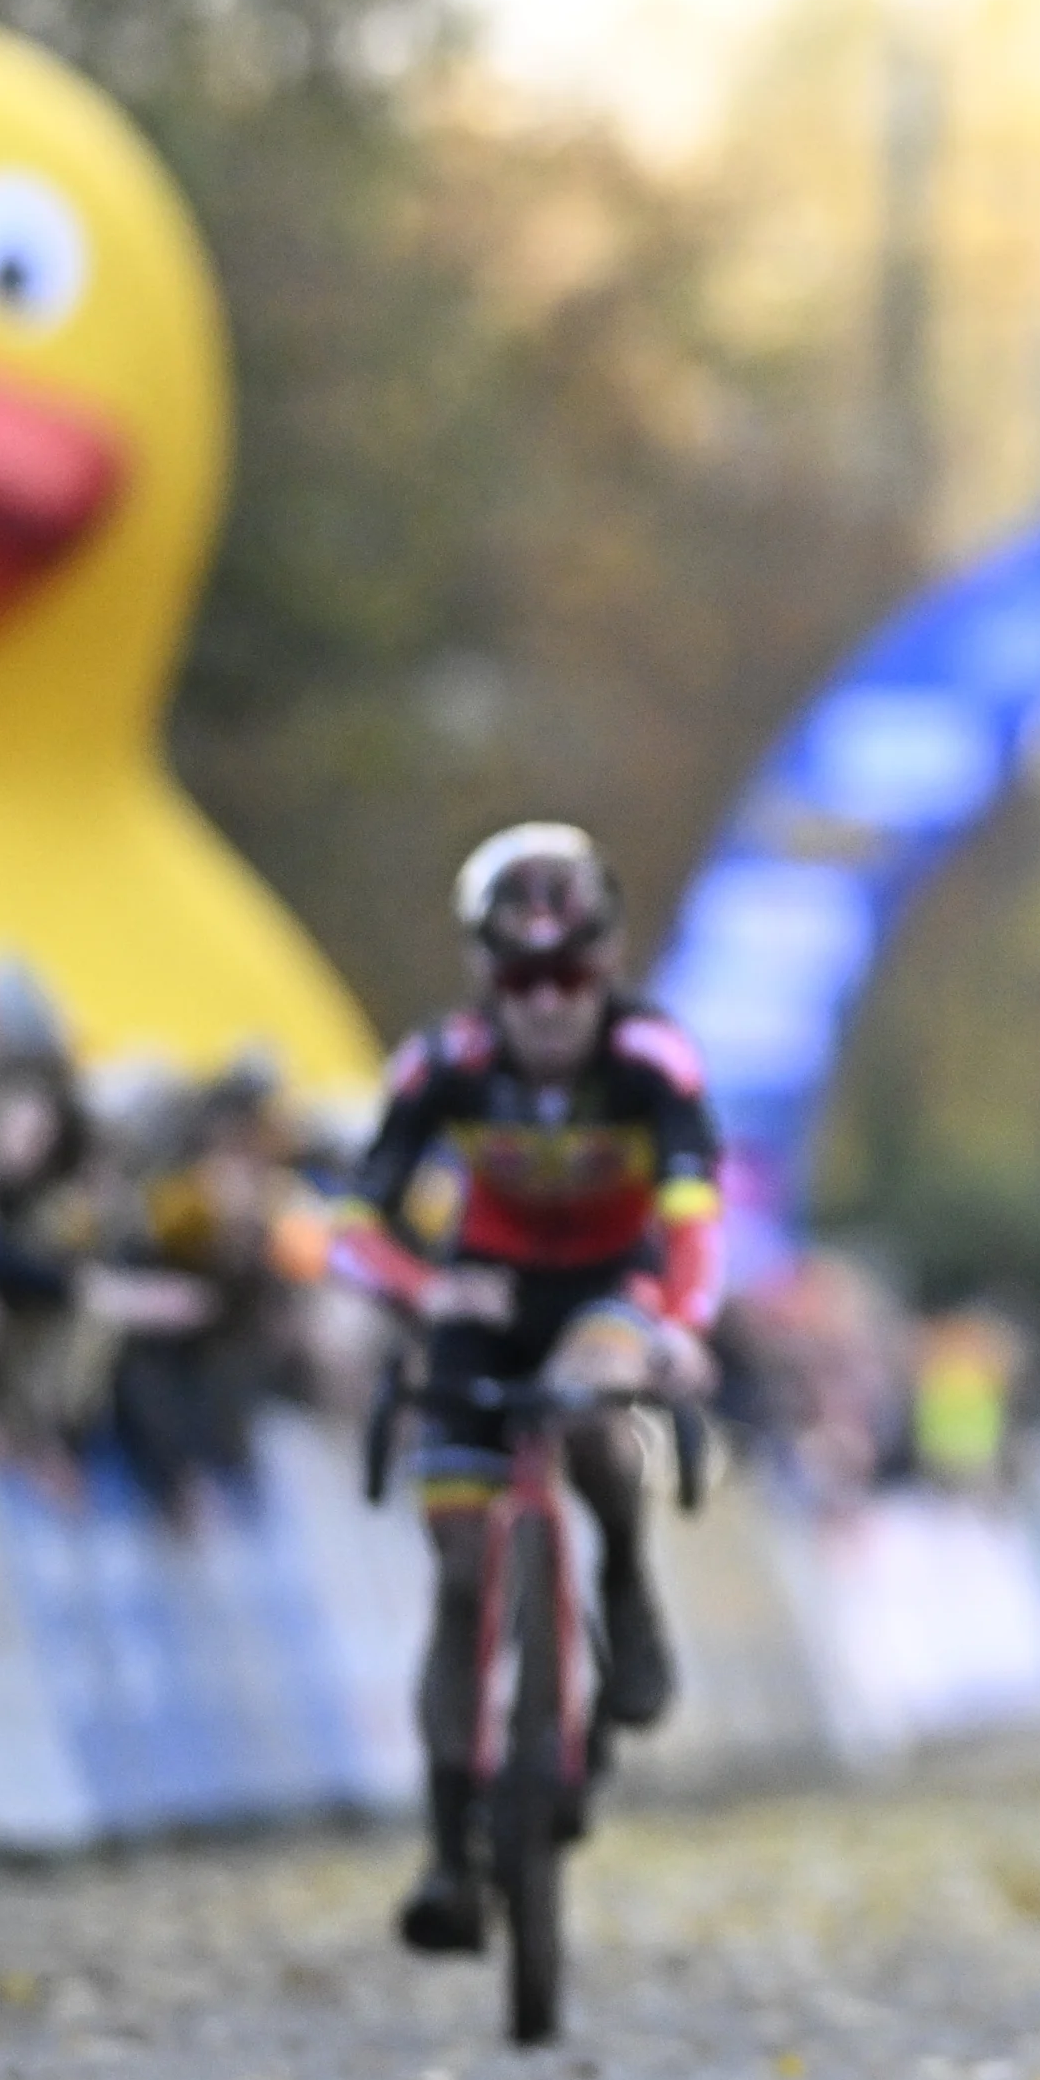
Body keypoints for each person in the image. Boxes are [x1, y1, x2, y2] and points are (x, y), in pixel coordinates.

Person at [333, 822, 724, 1957]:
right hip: (482, 1295)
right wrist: (423, 1291)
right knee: (460, 1582)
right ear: (485, 977)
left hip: (610, 1282)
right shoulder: (440, 1064)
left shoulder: (655, 1060)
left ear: (606, 971)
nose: (548, 1004)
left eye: (572, 978)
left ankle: (625, 1573)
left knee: (597, 1396)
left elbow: (697, 1219)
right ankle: (449, 1856)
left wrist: (684, 1332)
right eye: (523, 980)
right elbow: (353, 1224)